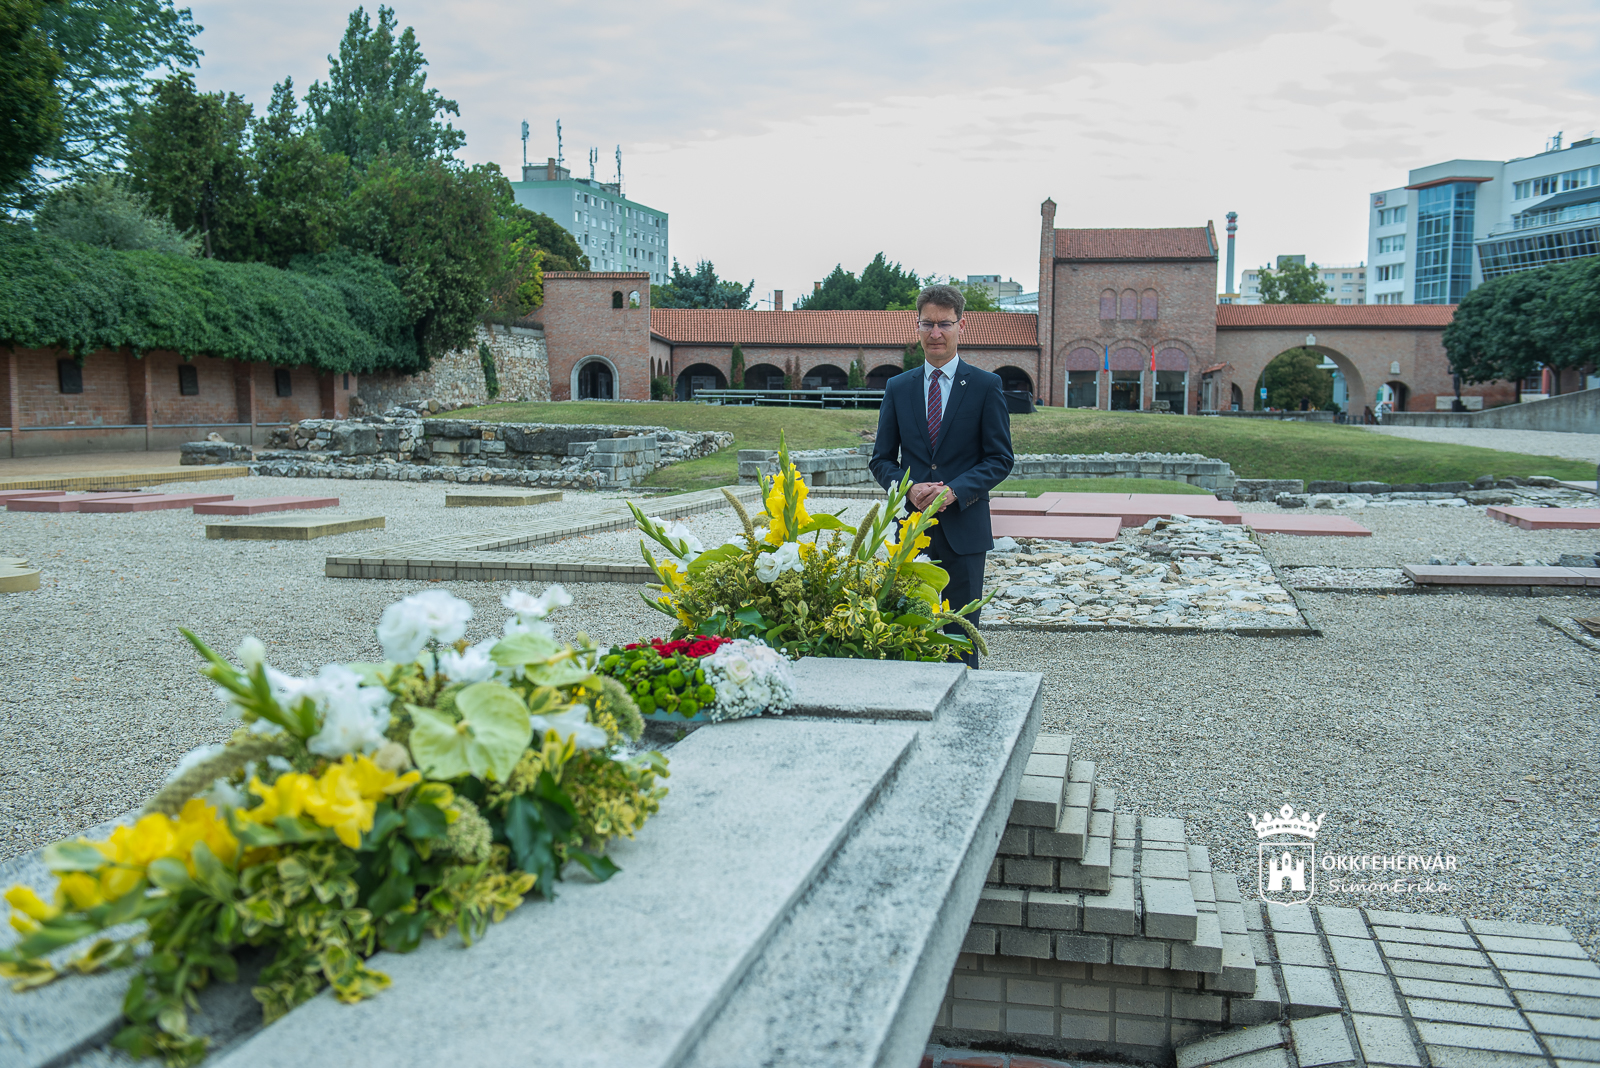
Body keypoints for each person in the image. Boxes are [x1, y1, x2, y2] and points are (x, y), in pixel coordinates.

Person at [869, 284, 1014, 667]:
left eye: (944, 324)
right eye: (927, 324)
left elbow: (1000, 459)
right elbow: (881, 459)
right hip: (910, 533)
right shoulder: (898, 388)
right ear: (916, 327)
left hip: (964, 531)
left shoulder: (986, 386)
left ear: (961, 326)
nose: (936, 333)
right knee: (907, 634)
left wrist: (954, 491)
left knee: (960, 640)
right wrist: (908, 488)